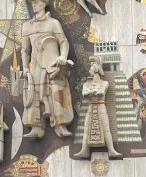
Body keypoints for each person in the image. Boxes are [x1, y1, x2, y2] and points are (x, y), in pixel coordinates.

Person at [21, 0, 74, 139]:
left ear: (44, 4)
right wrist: (25, 68)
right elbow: (25, 50)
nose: (34, 4)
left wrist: (62, 57)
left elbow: (63, 42)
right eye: (32, 3)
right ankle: (36, 127)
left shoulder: (53, 23)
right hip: (35, 64)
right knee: (34, 94)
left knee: (56, 91)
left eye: (37, 2)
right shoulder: (26, 26)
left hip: (52, 63)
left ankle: (60, 125)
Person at [74, 56, 122, 158]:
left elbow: (101, 92)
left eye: (91, 68)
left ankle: (111, 150)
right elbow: (84, 94)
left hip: (101, 106)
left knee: (106, 128)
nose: (89, 70)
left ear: (96, 69)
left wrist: (92, 92)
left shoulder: (104, 82)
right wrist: (93, 92)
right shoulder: (87, 83)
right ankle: (84, 150)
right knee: (86, 128)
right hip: (91, 107)